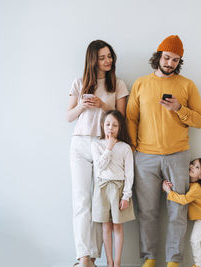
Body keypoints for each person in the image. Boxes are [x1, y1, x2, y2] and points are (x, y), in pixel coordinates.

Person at [126, 35, 201, 267]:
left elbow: (200, 120)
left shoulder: (187, 85)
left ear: (179, 61)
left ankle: (173, 262)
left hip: (178, 156)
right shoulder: (141, 83)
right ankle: (149, 259)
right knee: (147, 212)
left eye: (175, 60)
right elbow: (131, 118)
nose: (170, 63)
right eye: (167, 57)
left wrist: (180, 109)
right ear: (159, 55)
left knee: (177, 212)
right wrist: (133, 149)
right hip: (145, 157)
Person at [67, 40, 129, 267]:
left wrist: (103, 105)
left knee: (100, 202)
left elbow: (121, 118)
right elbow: (68, 116)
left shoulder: (118, 85)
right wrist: (83, 106)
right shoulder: (79, 82)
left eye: (110, 56)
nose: (108, 61)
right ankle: (84, 258)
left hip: (106, 145)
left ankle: (93, 257)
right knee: (81, 201)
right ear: (92, 59)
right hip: (80, 144)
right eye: (102, 57)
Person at [91, 110, 135, 267]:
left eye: (115, 125)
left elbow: (129, 174)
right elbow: (100, 167)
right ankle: (109, 261)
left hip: (118, 189)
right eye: (108, 124)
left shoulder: (125, 148)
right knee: (106, 226)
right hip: (102, 188)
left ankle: (117, 262)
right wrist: (108, 148)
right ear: (102, 125)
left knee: (118, 226)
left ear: (120, 127)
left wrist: (126, 196)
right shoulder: (96, 145)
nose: (111, 128)